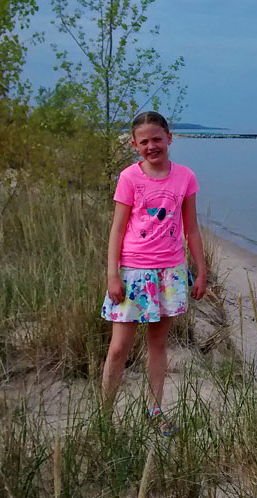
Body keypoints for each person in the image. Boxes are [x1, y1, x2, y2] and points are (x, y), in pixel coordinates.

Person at [100, 110, 207, 435]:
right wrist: (112, 275)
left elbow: (191, 229)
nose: (151, 146)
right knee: (120, 347)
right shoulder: (129, 178)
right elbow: (117, 230)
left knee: (158, 345)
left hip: (170, 272)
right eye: (144, 141)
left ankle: (154, 410)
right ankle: (104, 415)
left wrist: (200, 271)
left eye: (157, 139)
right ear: (134, 144)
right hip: (134, 272)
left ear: (169, 139)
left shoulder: (184, 177)